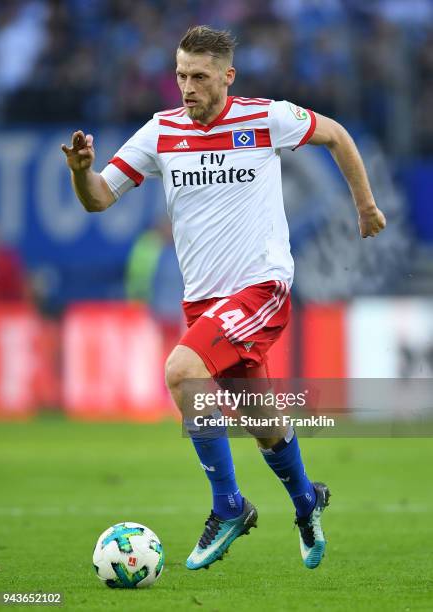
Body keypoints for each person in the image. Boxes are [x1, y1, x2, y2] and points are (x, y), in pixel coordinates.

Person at [61, 25, 386, 571]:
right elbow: (98, 199)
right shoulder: (160, 132)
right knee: (264, 423)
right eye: (181, 75)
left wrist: (366, 206)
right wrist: (80, 172)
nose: (187, 87)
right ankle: (307, 501)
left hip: (261, 287)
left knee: (182, 371)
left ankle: (229, 506)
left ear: (227, 77)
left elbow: (336, 135)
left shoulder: (263, 117)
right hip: (203, 301)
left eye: (199, 76)